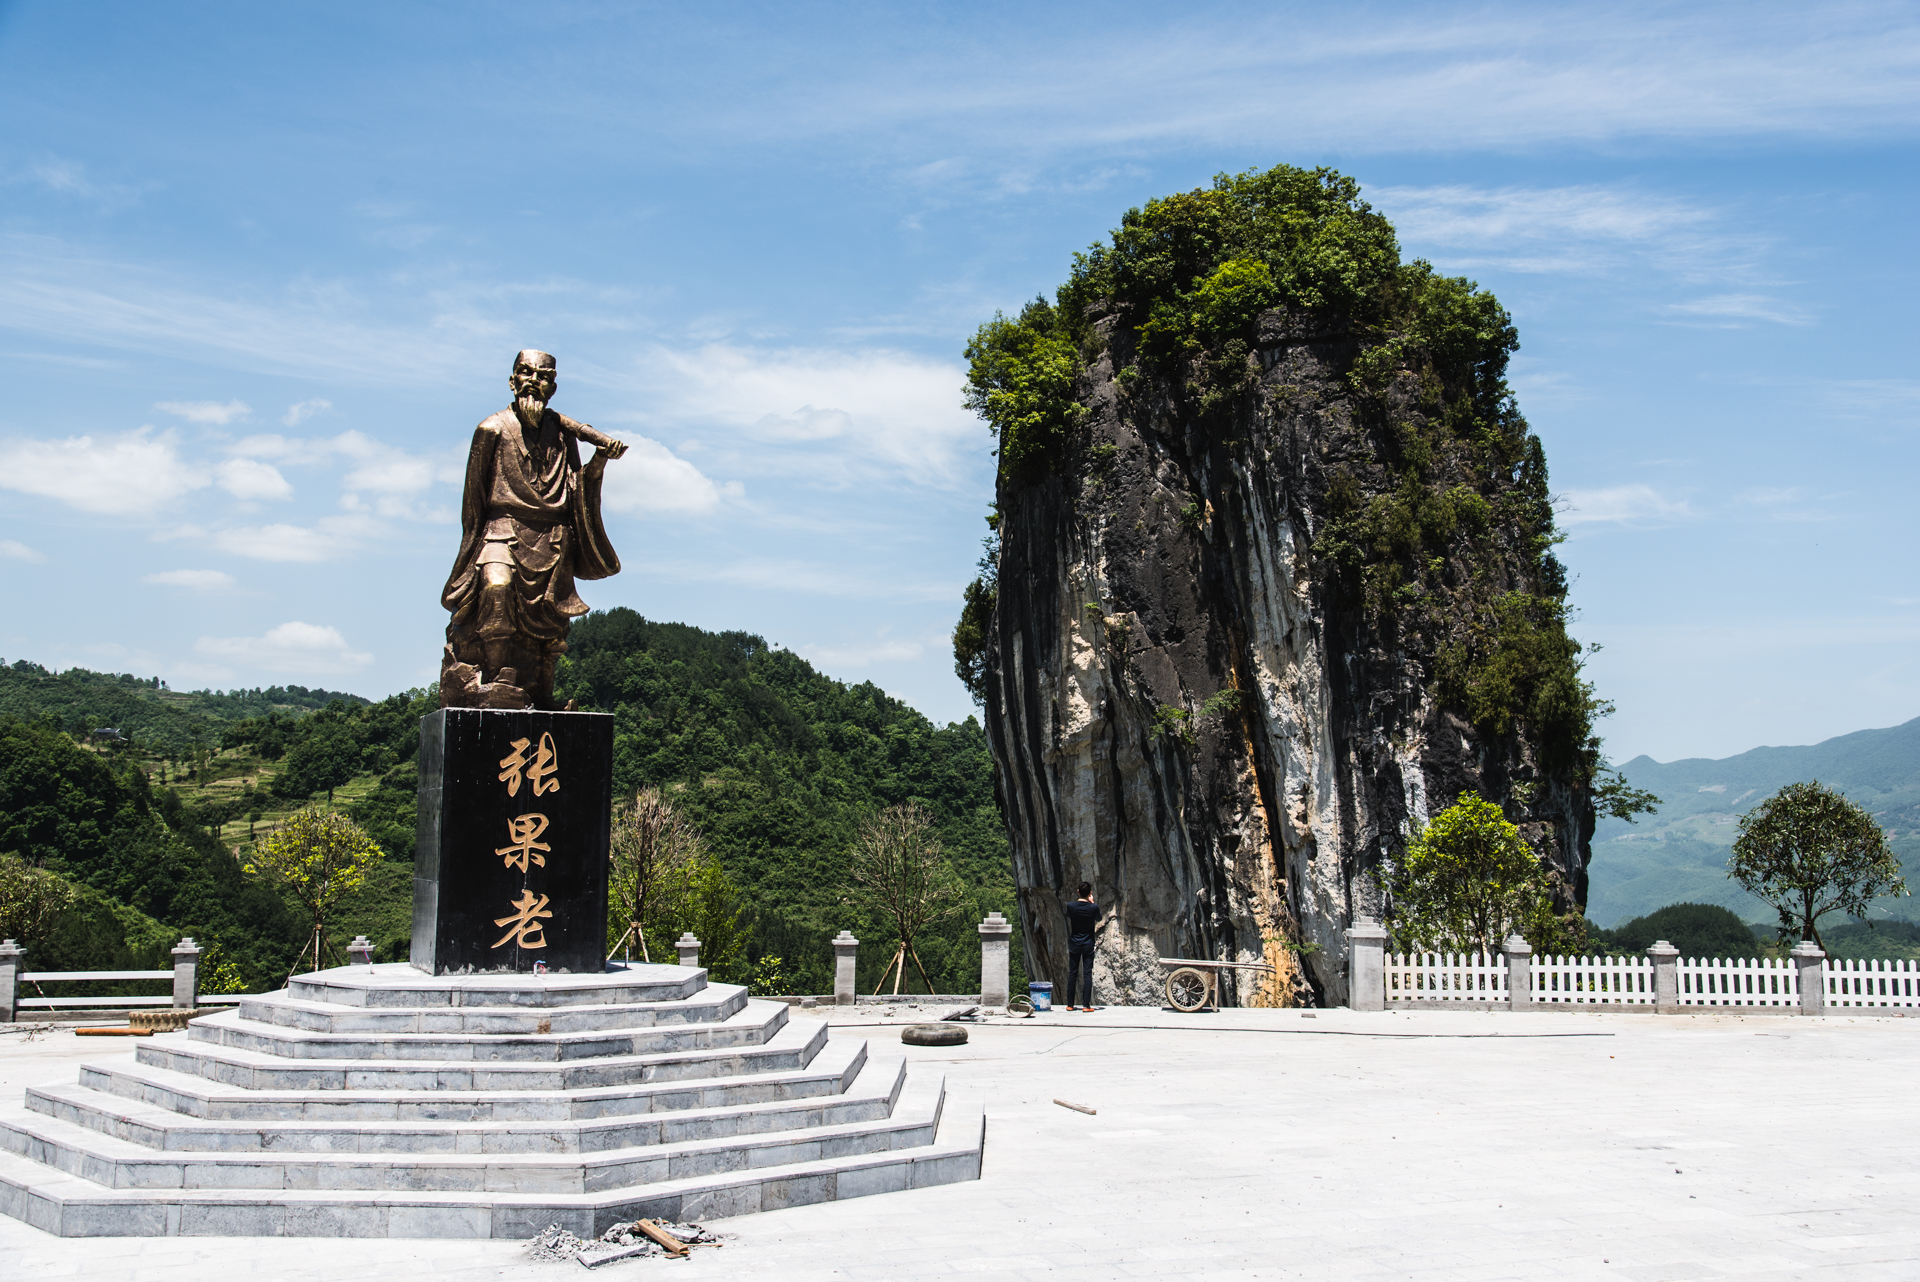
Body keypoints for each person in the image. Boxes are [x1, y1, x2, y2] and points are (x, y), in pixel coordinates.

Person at [440, 350, 629, 709]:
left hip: (551, 538)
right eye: (526, 373)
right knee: (498, 588)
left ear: (552, 386)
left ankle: (540, 693)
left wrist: (601, 457)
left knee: (551, 620)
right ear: (512, 381)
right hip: (501, 531)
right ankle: (496, 682)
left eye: (543, 376)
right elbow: (473, 501)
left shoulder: (561, 434)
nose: (533, 382)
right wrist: (469, 551)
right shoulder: (491, 429)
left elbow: (575, 488)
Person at [1062, 882, 1100, 1010]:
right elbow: (1099, 918)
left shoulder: (1071, 907)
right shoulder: (1093, 908)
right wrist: (1092, 903)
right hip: (1088, 944)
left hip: (1075, 943)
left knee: (1073, 973)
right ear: (1090, 893)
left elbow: (1069, 915)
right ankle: (1086, 1005)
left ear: (1078, 891)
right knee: (1087, 974)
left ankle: (1070, 1005)